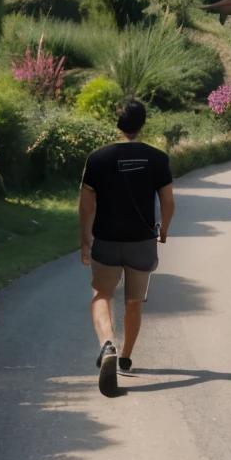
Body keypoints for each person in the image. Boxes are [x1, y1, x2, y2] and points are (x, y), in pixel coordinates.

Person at [79, 98, 175, 396]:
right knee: (134, 302)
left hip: (106, 239)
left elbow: (86, 205)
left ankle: (108, 343)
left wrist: (85, 241)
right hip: (142, 240)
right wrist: (164, 231)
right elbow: (168, 202)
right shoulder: (158, 158)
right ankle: (125, 359)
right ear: (142, 124)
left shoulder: (97, 159)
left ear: (116, 123)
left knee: (101, 295)